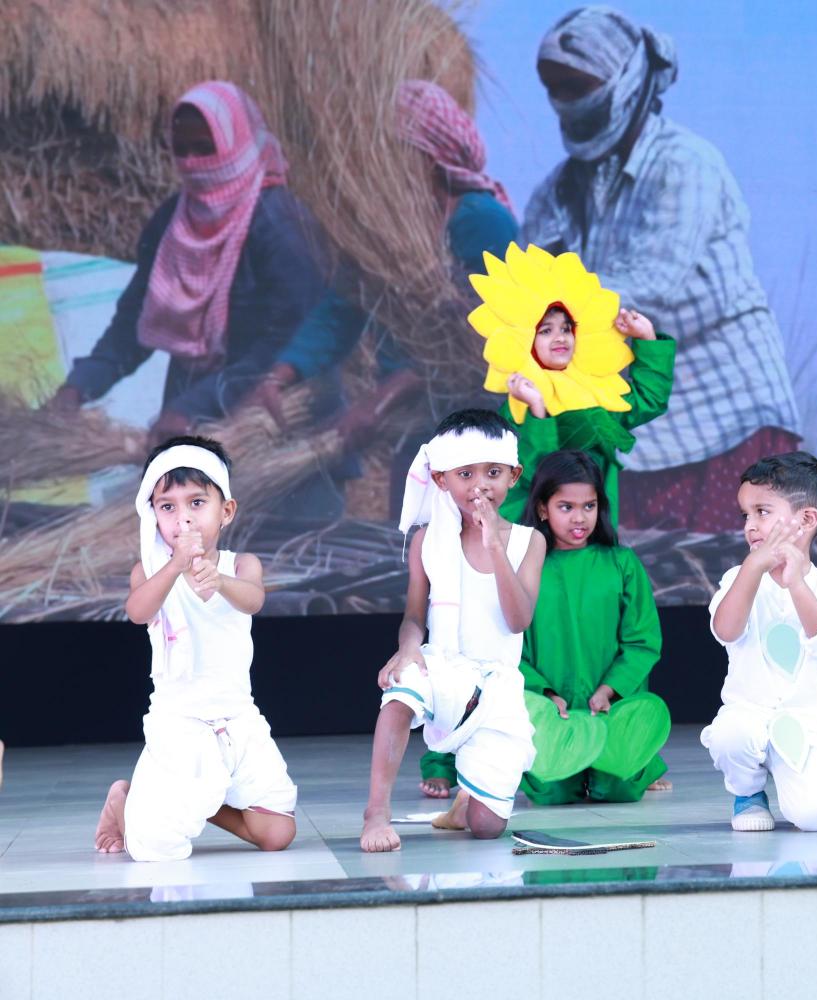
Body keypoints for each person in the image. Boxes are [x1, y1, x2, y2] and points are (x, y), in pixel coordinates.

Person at [525, 6, 800, 532]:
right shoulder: (557, 192)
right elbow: (527, 286)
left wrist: (537, 312)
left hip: (725, 416)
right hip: (635, 425)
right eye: (556, 88)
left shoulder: (685, 165)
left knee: (725, 568)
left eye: (578, 86)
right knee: (644, 566)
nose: (566, 100)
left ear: (626, 82)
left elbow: (649, 288)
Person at [242, 79, 521, 514]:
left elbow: (475, 337)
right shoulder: (388, 230)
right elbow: (341, 308)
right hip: (417, 426)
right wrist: (279, 377)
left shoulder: (480, 220)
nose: (380, 166)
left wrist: (380, 400)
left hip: (478, 427)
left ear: (429, 159)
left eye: (393, 153)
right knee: (413, 542)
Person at [51, 82, 328, 452]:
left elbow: (291, 342)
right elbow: (134, 323)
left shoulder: (281, 226)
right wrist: (78, 387)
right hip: (185, 418)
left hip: (276, 422)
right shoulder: (174, 222)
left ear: (239, 143)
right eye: (181, 150)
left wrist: (193, 407)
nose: (192, 162)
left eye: (205, 148)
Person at [93, 436, 297, 861]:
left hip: (238, 717)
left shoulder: (241, 565)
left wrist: (218, 581)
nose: (183, 518)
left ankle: (196, 800)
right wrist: (175, 566)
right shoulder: (150, 570)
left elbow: (253, 600)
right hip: (180, 721)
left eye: (197, 503)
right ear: (152, 515)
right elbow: (137, 612)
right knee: (156, 849)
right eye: (167, 507)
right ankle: (126, 802)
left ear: (226, 511)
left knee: (277, 832)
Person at [359, 410, 545, 851]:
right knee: (401, 688)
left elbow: (518, 620)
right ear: (441, 480)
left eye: (493, 472)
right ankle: (376, 812)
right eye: (465, 474)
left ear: (514, 476)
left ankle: (467, 803)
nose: (480, 485)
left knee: (486, 828)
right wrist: (408, 649)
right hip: (442, 667)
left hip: (497, 685)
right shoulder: (428, 539)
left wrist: (494, 545)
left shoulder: (529, 541)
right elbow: (414, 615)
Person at [465, 242, 675, 529]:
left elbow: (649, 400)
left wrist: (647, 339)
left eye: (566, 328)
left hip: (593, 535)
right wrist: (537, 410)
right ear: (525, 339)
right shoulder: (518, 406)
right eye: (546, 330)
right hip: (541, 540)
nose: (560, 337)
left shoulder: (596, 396)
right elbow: (532, 473)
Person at [701, 452, 817, 832]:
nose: (750, 525)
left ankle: (794, 779)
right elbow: (726, 630)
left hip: (807, 722)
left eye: (762, 512)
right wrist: (752, 569)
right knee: (730, 735)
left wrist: (796, 584)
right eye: (745, 515)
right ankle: (748, 792)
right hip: (749, 715)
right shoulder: (737, 578)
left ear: (807, 520)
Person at [516, 449, 673, 803]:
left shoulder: (621, 563)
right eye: (566, 507)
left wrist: (608, 690)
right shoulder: (525, 568)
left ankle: (640, 765)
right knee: (551, 793)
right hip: (554, 711)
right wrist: (545, 695)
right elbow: (509, 646)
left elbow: (642, 641)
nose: (580, 518)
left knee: (618, 789)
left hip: (608, 707)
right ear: (543, 508)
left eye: (589, 506)